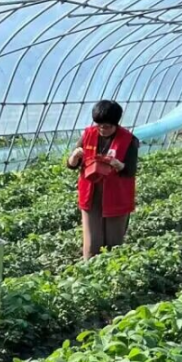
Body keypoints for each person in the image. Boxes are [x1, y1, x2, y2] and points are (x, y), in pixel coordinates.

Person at [66, 99, 138, 259]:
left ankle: (112, 274)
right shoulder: (88, 135)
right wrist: (74, 157)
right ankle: (90, 271)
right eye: (100, 125)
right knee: (92, 242)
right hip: (91, 193)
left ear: (116, 124)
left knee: (114, 241)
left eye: (107, 126)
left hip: (116, 194)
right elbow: (71, 165)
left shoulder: (129, 140)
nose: (103, 129)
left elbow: (130, 171)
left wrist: (119, 165)